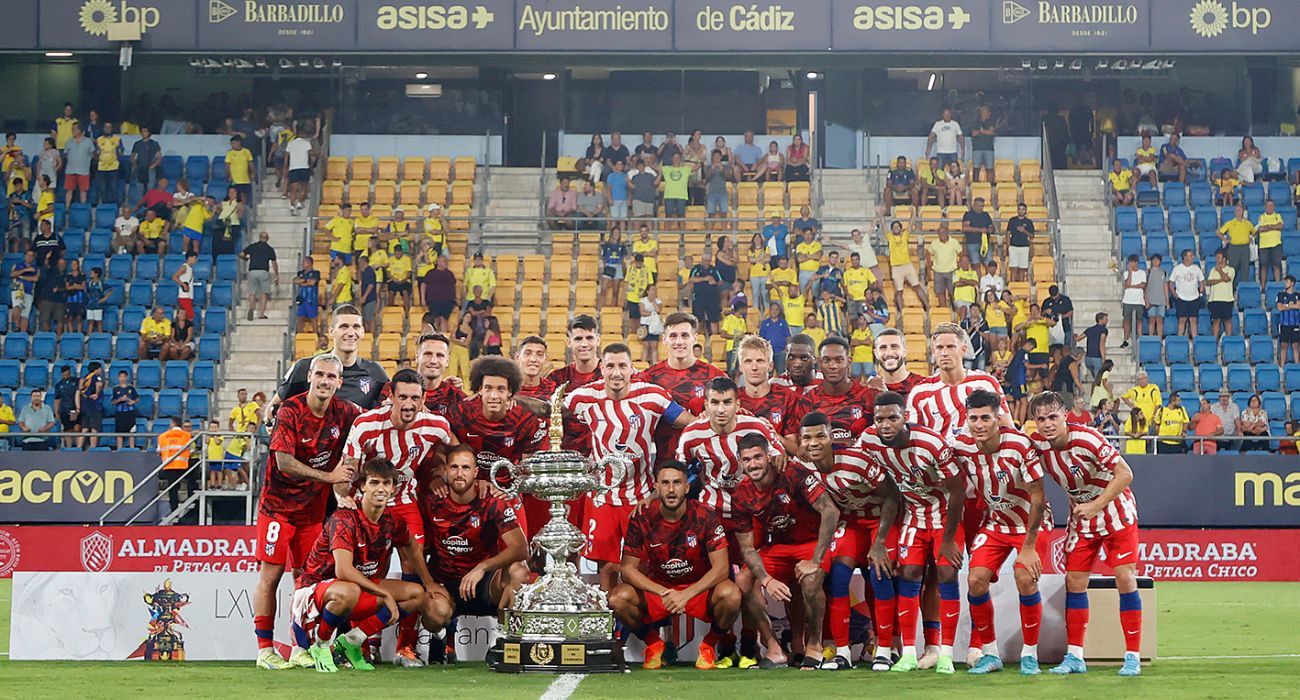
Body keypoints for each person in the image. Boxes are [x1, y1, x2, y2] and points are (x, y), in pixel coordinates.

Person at [253, 353, 362, 671]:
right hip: (277, 508)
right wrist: (330, 478)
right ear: (310, 377)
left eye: (332, 377)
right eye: (320, 375)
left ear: (340, 383)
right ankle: (264, 651)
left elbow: (370, 423)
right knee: (270, 576)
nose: (325, 381)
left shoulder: (346, 412)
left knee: (306, 582)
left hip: (312, 514)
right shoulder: (291, 409)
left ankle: (300, 647)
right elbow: (284, 462)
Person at [290, 457, 450, 673]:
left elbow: (412, 546)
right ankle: (321, 644)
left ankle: (351, 642)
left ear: (394, 489)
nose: (381, 489)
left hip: (355, 590)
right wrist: (384, 595)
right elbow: (343, 571)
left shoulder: (392, 520)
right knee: (350, 590)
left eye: (386, 483)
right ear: (363, 486)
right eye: (374, 483)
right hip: (315, 594)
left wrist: (429, 582)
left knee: (417, 594)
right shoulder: (345, 518)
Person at [340, 368, 456, 666]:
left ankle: (405, 647)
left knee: (413, 567)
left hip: (405, 501)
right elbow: (348, 471)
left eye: (414, 398)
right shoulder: (366, 425)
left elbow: (456, 451)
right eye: (402, 396)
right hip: (368, 506)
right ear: (390, 396)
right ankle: (363, 643)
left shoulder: (436, 425)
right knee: (366, 571)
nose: (408, 404)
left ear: (424, 399)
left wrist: (438, 472)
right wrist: (343, 495)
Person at [1029, 392, 1143, 676]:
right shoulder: (1039, 448)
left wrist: (1096, 505)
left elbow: (1125, 474)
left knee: (1125, 578)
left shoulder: (1088, 439)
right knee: (1074, 581)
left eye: (1053, 417)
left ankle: (1132, 656)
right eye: (1041, 419)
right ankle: (1075, 656)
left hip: (1115, 512)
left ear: (1065, 415)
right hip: (1083, 519)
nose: (1047, 424)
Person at [565, 343, 695, 592]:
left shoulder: (652, 396)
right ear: (601, 368)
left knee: (644, 564)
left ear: (632, 369)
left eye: (622, 366)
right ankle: (609, 622)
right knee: (608, 568)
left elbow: (688, 423)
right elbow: (552, 415)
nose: (616, 372)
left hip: (641, 496)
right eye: (611, 366)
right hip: (603, 496)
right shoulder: (583, 397)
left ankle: (643, 625)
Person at [675, 377, 785, 667]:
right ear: (706, 405)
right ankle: (725, 644)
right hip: (712, 518)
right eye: (714, 403)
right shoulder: (691, 435)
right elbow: (682, 475)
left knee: (749, 582)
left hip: (752, 517)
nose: (721, 409)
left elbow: (779, 460)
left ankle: (749, 646)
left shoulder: (757, 427)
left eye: (727, 402)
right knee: (720, 583)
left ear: (738, 404)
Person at [607, 460, 741, 671]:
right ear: (657, 487)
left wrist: (686, 594)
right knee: (618, 598)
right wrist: (664, 592)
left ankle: (708, 645)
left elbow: (722, 568)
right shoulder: (642, 516)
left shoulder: (705, 514)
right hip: (659, 590)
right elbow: (627, 569)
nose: (671, 490)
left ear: (687, 487)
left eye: (677, 483)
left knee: (731, 595)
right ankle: (653, 643)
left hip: (698, 589)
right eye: (665, 483)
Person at [953, 390, 1050, 675]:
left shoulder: (1020, 445)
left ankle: (1029, 654)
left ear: (999, 419)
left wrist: (1029, 544)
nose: (979, 424)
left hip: (1029, 526)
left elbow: (1038, 496)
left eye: (986, 418)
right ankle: (990, 653)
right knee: (976, 580)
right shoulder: (961, 445)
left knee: (1024, 577)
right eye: (973, 419)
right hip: (996, 524)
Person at [732, 432, 838, 668]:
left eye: (758, 457)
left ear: (769, 456)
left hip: (811, 541)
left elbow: (830, 511)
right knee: (744, 579)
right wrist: (767, 579)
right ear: (740, 462)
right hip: (778, 547)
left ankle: (814, 645)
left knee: (810, 581)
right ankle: (774, 647)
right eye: (747, 459)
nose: (753, 464)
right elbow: (747, 548)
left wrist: (815, 559)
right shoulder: (741, 494)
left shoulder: (793, 473)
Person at [420, 445, 528, 646]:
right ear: (445, 470)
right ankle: (440, 638)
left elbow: (521, 548)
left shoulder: (493, 500)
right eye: (454, 467)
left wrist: (482, 567)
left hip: (485, 583)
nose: (459, 474)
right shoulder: (431, 501)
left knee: (520, 572)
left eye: (466, 468)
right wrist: (429, 583)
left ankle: (505, 638)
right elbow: (415, 549)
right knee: (435, 612)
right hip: (446, 583)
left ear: (476, 472)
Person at [445, 357, 548, 537]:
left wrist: (511, 489)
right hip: (470, 494)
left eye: (501, 389)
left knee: (518, 558)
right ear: (479, 390)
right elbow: (448, 452)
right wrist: (472, 483)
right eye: (488, 388)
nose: (494, 396)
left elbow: (529, 465)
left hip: (508, 493)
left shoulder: (524, 421)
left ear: (510, 392)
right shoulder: (461, 414)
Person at [635, 312, 727, 460]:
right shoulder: (648, 378)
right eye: (673, 336)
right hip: (665, 466)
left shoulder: (715, 377)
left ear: (695, 338)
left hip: (707, 467)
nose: (679, 341)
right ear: (664, 339)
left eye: (685, 335)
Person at [276, 304, 389, 409]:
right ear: (331, 331)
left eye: (356, 327)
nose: (351, 333)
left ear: (363, 331)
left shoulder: (375, 372)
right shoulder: (306, 367)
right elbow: (274, 407)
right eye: (344, 327)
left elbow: (390, 407)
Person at [785, 337, 873, 450]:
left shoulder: (867, 395)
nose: (833, 366)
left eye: (839, 360)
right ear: (819, 362)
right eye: (826, 360)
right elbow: (803, 446)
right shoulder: (807, 402)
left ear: (849, 362)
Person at [545, 315, 603, 453]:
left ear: (598, 340)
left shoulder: (612, 375)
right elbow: (545, 410)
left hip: (603, 455)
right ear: (569, 342)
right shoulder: (557, 378)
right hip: (567, 457)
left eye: (589, 338)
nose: (584, 344)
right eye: (578, 339)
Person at [887, 219, 928, 312]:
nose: (896, 228)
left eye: (898, 226)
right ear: (892, 229)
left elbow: (911, 223)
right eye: (894, 227)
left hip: (907, 265)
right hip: (896, 267)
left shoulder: (905, 235)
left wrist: (913, 212)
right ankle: (902, 312)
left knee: (917, 286)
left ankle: (928, 307)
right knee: (899, 291)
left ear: (901, 228)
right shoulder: (890, 237)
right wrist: (880, 215)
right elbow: (884, 227)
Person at [241, 231, 278, 321]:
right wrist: (276, 274)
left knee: (252, 292)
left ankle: (251, 307)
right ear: (267, 239)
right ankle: (261, 313)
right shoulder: (269, 249)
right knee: (264, 293)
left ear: (259, 237)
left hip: (252, 271)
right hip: (263, 271)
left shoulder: (253, 246)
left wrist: (246, 259)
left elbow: (241, 254)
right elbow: (274, 263)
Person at [1169, 249, 1205, 339]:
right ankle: (1179, 339)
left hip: (1194, 298)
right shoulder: (1177, 269)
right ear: (1185, 257)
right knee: (1182, 320)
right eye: (1190, 255)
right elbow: (1171, 282)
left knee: (1193, 320)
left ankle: (1195, 340)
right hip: (1182, 298)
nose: (1192, 257)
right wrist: (1174, 294)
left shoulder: (1196, 268)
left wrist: (1200, 293)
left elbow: (1202, 281)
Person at [1217, 204, 1254, 288]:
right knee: (1233, 270)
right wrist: (1225, 240)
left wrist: (1251, 238)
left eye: (1240, 210)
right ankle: (1231, 289)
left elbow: (1255, 232)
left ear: (1243, 212)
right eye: (1236, 210)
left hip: (1245, 248)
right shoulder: (1230, 223)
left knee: (1245, 269)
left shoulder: (1247, 223)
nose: (1238, 212)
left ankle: (1244, 289)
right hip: (1234, 248)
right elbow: (1219, 232)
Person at [1206, 250, 1237, 337]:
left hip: (1227, 299)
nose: (1217, 259)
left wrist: (1220, 271)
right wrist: (1220, 280)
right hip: (1215, 299)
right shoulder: (1213, 270)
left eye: (1219, 257)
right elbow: (1209, 282)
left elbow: (1227, 279)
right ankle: (1214, 339)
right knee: (1216, 320)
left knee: (1227, 320)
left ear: (1224, 259)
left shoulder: (1231, 270)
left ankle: (1229, 338)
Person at [75, 362, 105, 448]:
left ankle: (78, 448)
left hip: (85, 407)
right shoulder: (96, 377)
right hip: (94, 407)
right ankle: (93, 449)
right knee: (94, 430)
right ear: (97, 369)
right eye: (100, 369)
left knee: (84, 429)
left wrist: (78, 407)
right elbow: (98, 385)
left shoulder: (84, 378)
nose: (101, 371)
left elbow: (79, 392)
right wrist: (97, 393)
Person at [1119, 255, 1146, 349]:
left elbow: (1143, 285)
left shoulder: (1142, 273)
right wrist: (1130, 272)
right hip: (1128, 300)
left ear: (1136, 262)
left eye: (1131, 262)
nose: (1130, 264)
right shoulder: (1126, 273)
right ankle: (1126, 339)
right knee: (1126, 320)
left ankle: (1140, 338)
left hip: (1138, 300)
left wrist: (1133, 286)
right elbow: (1127, 284)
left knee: (1139, 320)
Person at [961, 198, 995, 274]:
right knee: (975, 265)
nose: (981, 208)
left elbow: (992, 226)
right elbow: (965, 228)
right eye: (979, 206)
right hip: (972, 242)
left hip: (985, 243)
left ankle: (988, 282)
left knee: (989, 264)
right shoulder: (968, 215)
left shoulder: (986, 215)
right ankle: (979, 283)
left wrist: (991, 229)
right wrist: (980, 230)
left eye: (982, 206)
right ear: (974, 205)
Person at [1256, 199, 1285, 284]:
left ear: (1274, 207)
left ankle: (1277, 285)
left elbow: (1281, 226)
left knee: (1276, 266)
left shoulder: (1278, 216)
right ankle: (1263, 287)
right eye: (1268, 206)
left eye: (1271, 206)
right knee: (1264, 267)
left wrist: (1268, 227)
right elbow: (1261, 228)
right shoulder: (1261, 217)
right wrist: (1273, 227)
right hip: (1264, 246)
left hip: (1276, 245)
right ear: (1265, 207)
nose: (1270, 207)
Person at [1004, 203, 1034, 283]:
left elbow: (1031, 236)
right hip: (1013, 246)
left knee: (1022, 269)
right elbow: (1008, 233)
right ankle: (1013, 285)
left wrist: (1024, 231)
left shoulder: (1028, 222)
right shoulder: (1012, 220)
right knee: (1014, 268)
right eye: (1019, 209)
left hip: (1024, 247)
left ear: (1025, 211)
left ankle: (1021, 285)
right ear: (1017, 210)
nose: (1021, 211)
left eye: (1023, 209)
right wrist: (1008, 246)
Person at [110, 370, 139, 450]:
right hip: (120, 412)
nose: (122, 378)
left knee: (132, 430)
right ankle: (119, 448)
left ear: (126, 377)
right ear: (118, 378)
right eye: (120, 377)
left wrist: (132, 402)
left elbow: (137, 399)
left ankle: (132, 448)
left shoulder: (131, 388)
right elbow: (113, 402)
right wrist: (120, 400)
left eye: (124, 377)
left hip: (130, 412)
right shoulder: (116, 389)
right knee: (119, 432)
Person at [294, 256, 322, 333]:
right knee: (300, 319)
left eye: (304, 262)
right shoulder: (300, 273)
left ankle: (315, 335)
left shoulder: (316, 273)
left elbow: (312, 282)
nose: (302, 264)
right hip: (301, 300)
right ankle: (299, 335)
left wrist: (303, 282)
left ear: (309, 263)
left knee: (313, 319)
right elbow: (295, 281)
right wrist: (306, 281)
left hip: (311, 300)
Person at [1276, 275, 1300, 364]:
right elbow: (1279, 307)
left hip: (1295, 324)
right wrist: (1292, 306)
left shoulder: (1297, 295)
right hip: (1284, 324)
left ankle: (1297, 366)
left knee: (1295, 346)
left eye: (1287, 282)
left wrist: (1286, 305)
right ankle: (1282, 366)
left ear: (1292, 283)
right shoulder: (1281, 294)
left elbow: (1299, 306)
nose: (1285, 283)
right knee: (1283, 345)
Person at [639, 283, 664, 366]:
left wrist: (654, 302)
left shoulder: (658, 301)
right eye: (652, 290)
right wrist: (652, 313)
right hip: (645, 324)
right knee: (646, 345)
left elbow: (658, 310)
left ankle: (654, 364)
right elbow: (642, 312)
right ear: (648, 291)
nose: (654, 292)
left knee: (654, 346)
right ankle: (643, 365)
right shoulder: (643, 301)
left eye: (655, 290)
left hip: (655, 325)